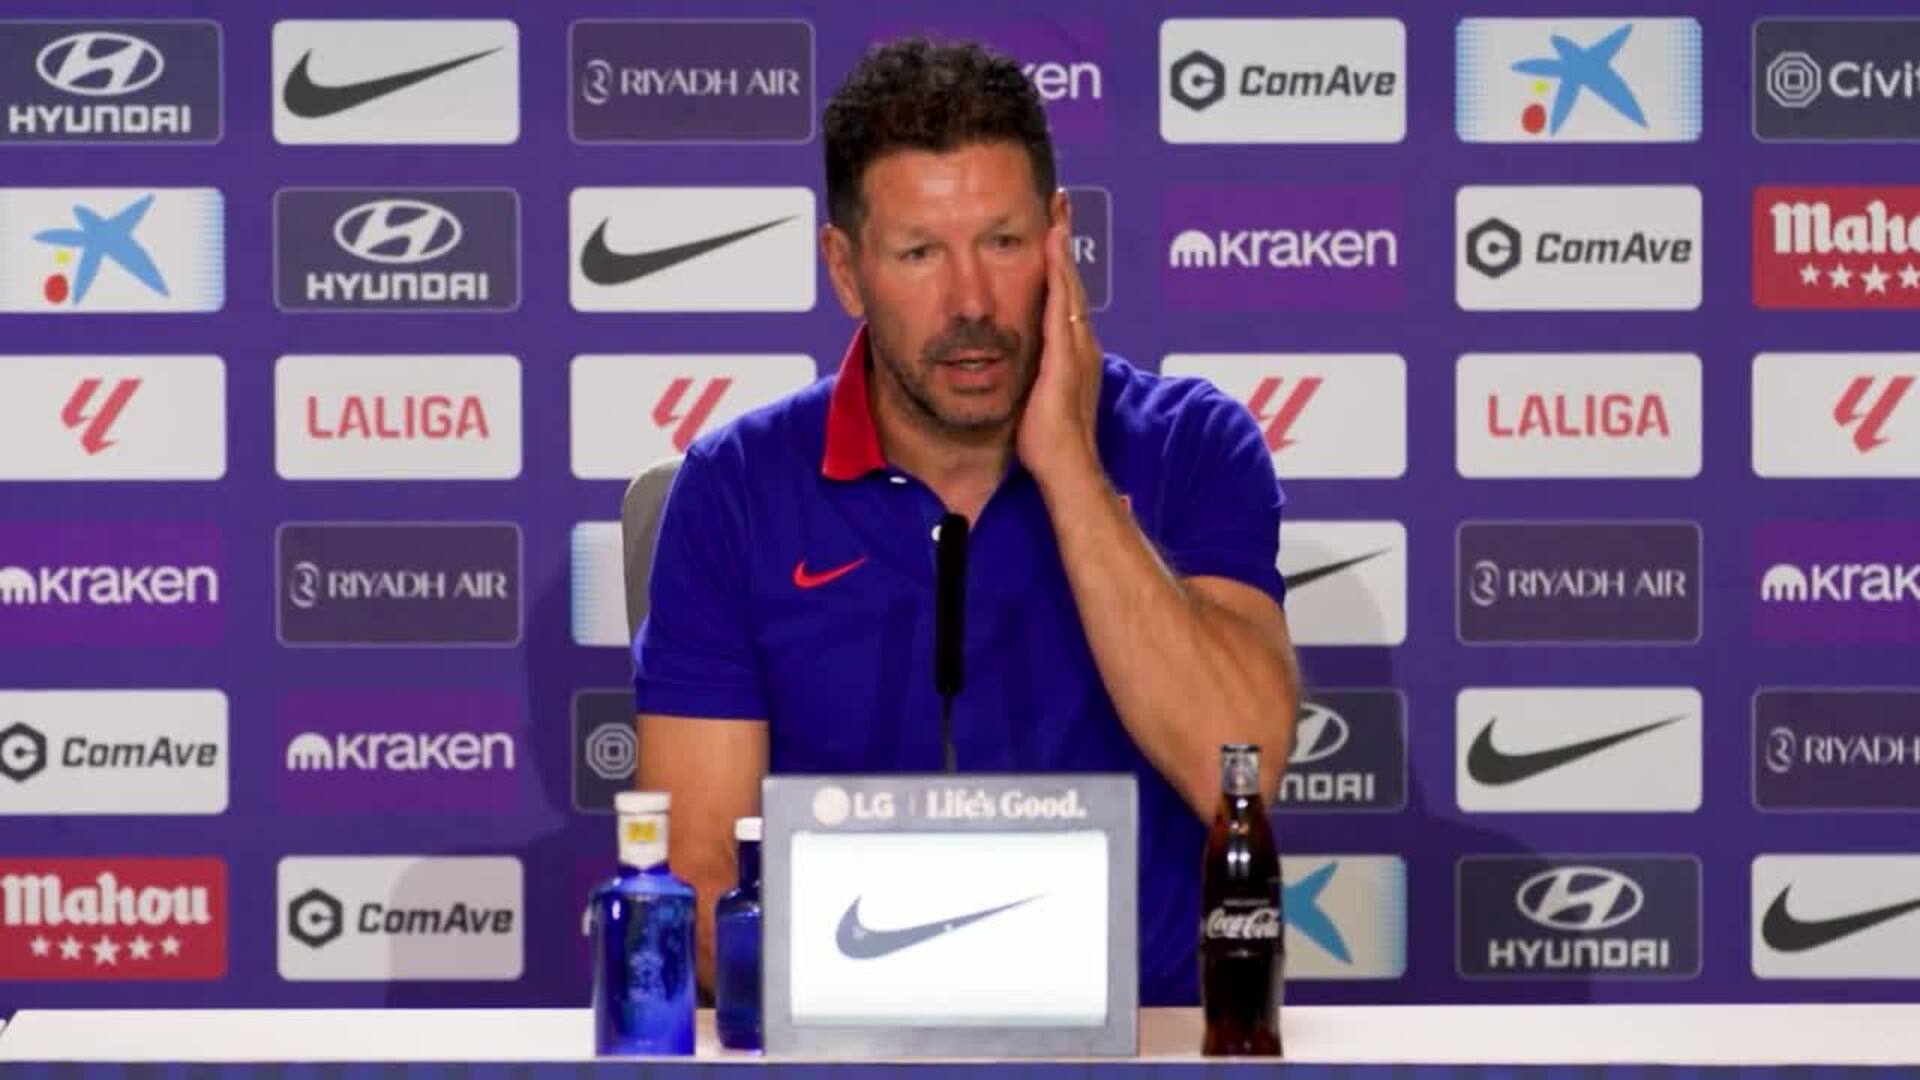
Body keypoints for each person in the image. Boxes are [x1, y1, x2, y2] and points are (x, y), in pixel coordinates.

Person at [633, 36, 1300, 1007]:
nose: (973, 303)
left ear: (1060, 237)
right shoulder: (734, 488)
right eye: (919, 254)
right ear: (846, 270)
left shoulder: (1192, 444)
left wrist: (1069, 468)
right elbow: (700, 894)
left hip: (1144, 1043)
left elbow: (1239, 776)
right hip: (844, 1045)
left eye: (1004, 242)